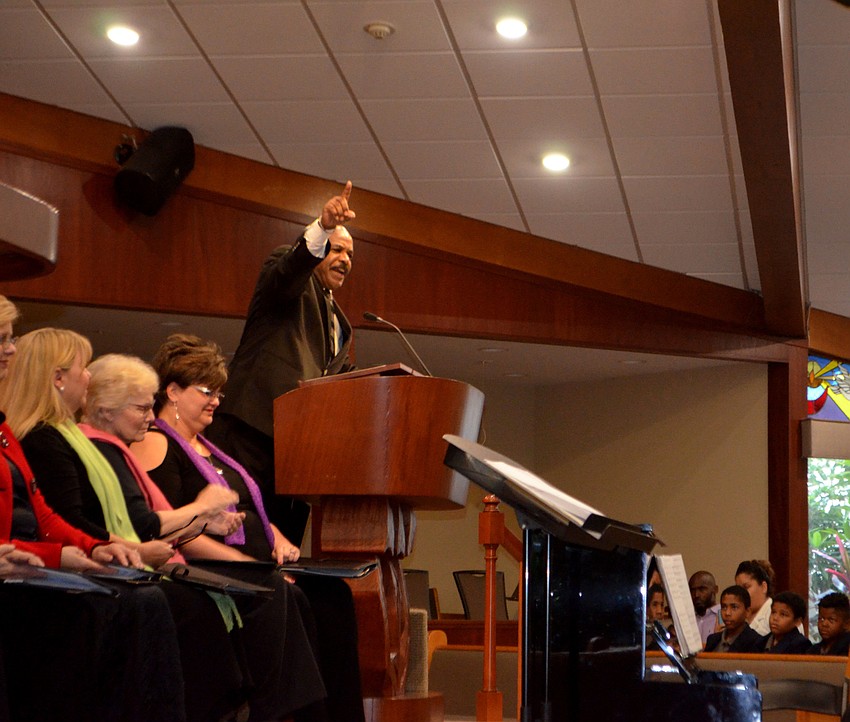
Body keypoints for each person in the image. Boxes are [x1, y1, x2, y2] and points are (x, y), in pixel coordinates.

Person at [132, 333, 365, 722]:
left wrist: (277, 537)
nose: (215, 402)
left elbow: (246, 506)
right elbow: (174, 530)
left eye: (219, 394)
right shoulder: (156, 443)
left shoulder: (212, 447)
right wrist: (248, 562)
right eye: (207, 391)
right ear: (172, 390)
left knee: (334, 595)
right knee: (284, 596)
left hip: (252, 563)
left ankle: (341, 715)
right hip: (207, 567)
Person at [0, 298, 184, 722]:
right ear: (58, 378)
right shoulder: (42, 437)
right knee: (131, 602)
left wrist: (95, 547)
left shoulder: (7, 430)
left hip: (28, 564)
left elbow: (44, 514)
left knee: (144, 598)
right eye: (4, 340)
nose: (12, 350)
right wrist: (62, 555)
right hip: (18, 574)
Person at [206, 181, 356, 544]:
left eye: (350, 255)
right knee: (239, 535)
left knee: (279, 546)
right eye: (336, 250)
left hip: (294, 450)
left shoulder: (339, 321)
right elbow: (290, 271)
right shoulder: (288, 278)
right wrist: (321, 227)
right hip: (251, 431)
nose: (345, 261)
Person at [704, 585, 763, 652]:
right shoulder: (712, 640)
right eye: (724, 607)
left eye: (734, 607)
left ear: (747, 612)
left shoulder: (756, 641)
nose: (727, 613)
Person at [735, 559, 776, 636]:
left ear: (764, 587)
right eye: (738, 589)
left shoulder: (776, 615)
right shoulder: (739, 616)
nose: (741, 593)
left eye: (746, 587)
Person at [689, 570, 722, 644]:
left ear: (715, 589)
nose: (696, 595)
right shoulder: (687, 619)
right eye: (692, 590)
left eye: (702, 589)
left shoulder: (723, 616)